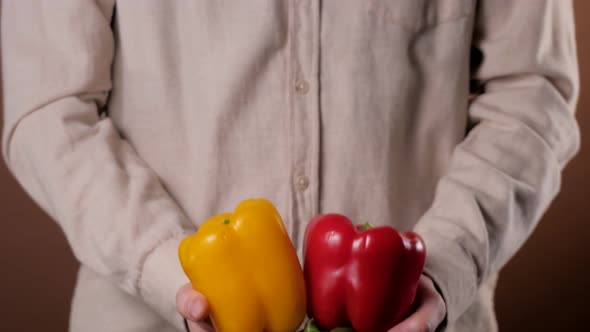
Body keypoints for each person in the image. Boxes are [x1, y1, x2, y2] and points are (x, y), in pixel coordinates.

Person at [1, 1, 580, 331]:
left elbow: (533, 93)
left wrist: (444, 262)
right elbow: (50, 107)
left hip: (421, 319)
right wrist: (165, 268)